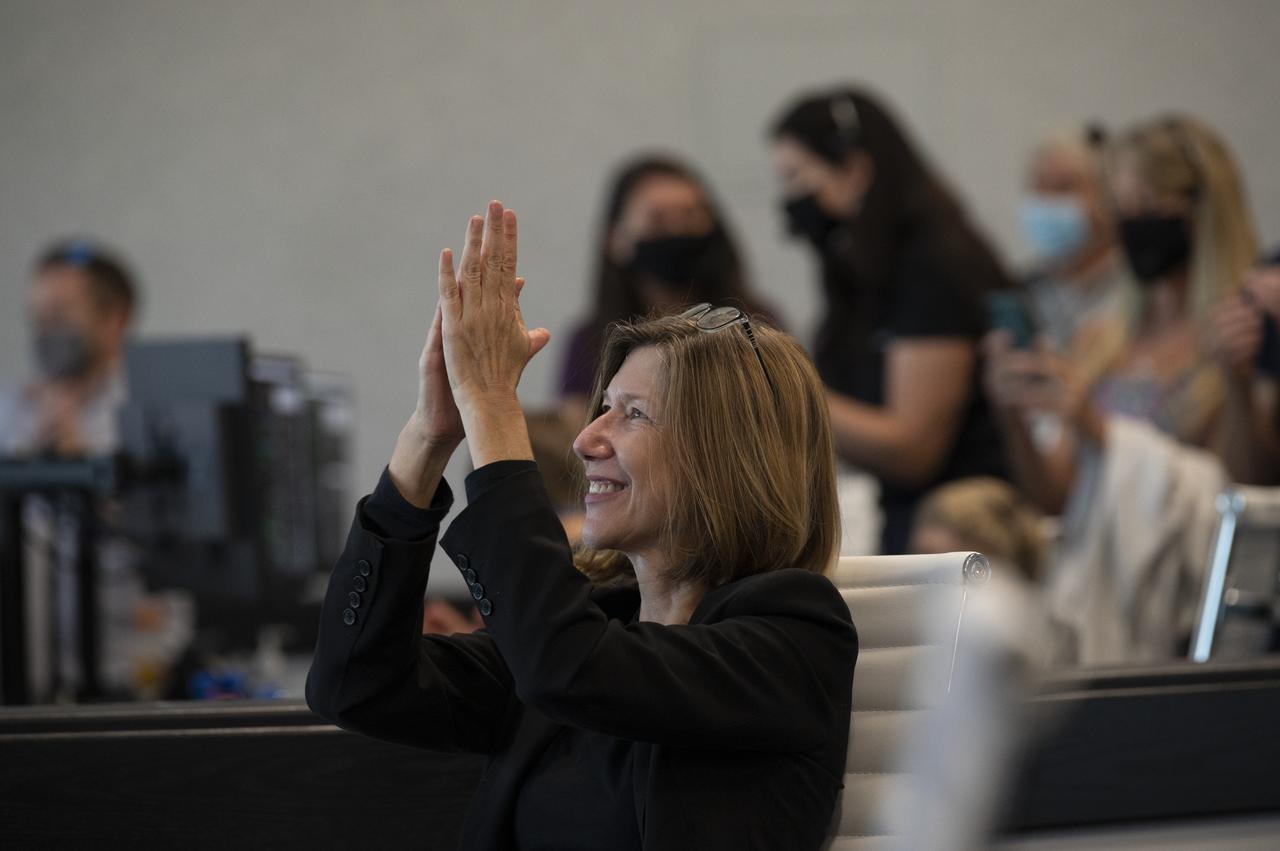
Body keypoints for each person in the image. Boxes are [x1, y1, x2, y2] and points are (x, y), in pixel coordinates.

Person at [307, 202, 858, 850]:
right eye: (601, 408)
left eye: (632, 414)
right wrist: (431, 433)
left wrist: (492, 407)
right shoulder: (594, 629)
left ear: (724, 455)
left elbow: (568, 666)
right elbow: (355, 684)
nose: (587, 438)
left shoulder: (793, 637)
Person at [769, 86, 1013, 553]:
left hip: (963, 534)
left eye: (797, 175)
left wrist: (781, 389)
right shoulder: (859, 266)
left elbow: (913, 446)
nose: (790, 197)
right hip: (909, 521)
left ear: (855, 169)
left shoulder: (932, 263)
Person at [987, 115, 1260, 511]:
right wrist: (1011, 415)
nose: (1130, 223)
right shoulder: (1099, 343)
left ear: (1201, 210)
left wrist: (1238, 385)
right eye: (1120, 207)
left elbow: (1238, 494)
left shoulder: (1238, 341)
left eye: (1147, 204)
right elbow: (1057, 498)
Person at [558, 155, 777, 424]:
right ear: (615, 239)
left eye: (690, 216)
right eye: (657, 220)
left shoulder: (756, 325)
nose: (676, 231)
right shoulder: (589, 343)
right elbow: (577, 440)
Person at [0, 239, 138, 456]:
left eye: (58, 315)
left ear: (115, 319)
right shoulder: (10, 407)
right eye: (37, 318)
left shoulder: (143, 411)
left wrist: (78, 463)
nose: (44, 330)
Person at [1020, 125, 1128, 376]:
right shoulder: (1021, 290)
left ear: (1111, 197)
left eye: (1063, 188)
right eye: (1039, 187)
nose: (1047, 202)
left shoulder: (1143, 292)